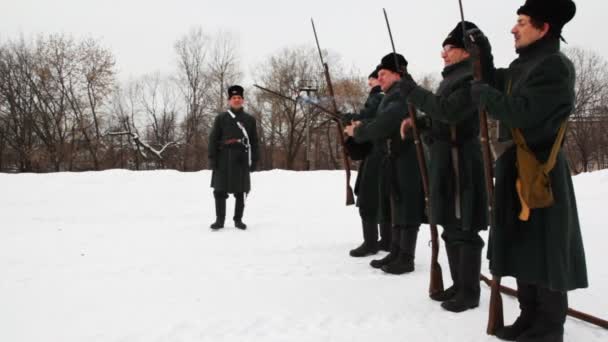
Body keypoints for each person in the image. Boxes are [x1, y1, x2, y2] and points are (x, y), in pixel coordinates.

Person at [469, 0, 587, 340]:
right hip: (515, 168)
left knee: (545, 249)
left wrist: (486, 97)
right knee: (522, 246)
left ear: (544, 27)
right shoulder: (525, 66)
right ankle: (528, 317)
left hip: (540, 171)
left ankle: (548, 328)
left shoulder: (554, 67)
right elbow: (493, 83)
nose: (514, 28)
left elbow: (523, 113)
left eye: (521, 22)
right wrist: (483, 52)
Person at [399, 21, 488, 313]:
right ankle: (458, 284)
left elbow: (450, 112)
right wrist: (421, 123)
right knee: (450, 224)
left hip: (460, 161)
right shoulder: (451, 78)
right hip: (445, 160)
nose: (443, 54)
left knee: (464, 227)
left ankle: (470, 290)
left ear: (464, 52)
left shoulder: (469, 78)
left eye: (448, 48)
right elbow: (439, 115)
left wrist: (413, 92)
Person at [344, 53, 425, 275]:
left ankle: (406, 258)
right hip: (394, 158)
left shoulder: (401, 95)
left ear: (398, 74)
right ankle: (397, 252)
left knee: (406, 207)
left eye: (383, 74)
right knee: (396, 205)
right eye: (378, 75)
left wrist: (358, 130)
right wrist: (363, 124)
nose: (379, 79)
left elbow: (385, 124)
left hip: (407, 158)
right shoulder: (392, 95)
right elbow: (380, 121)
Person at [343, 67, 391, 257]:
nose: (370, 83)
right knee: (382, 198)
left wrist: (350, 119)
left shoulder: (377, 96)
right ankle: (387, 241)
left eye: (372, 79)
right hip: (383, 153)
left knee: (367, 199)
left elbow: (368, 117)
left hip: (377, 153)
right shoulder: (385, 96)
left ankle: (371, 243)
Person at [208, 85, 259, 230]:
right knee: (219, 190)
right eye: (234, 98)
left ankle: (238, 220)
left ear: (243, 100)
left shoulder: (249, 119)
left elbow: (254, 141)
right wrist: (212, 158)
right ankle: (219, 220)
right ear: (229, 101)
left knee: (241, 191)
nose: (236, 100)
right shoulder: (221, 118)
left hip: (241, 158)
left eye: (239, 98)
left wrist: (254, 159)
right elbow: (213, 139)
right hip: (223, 157)